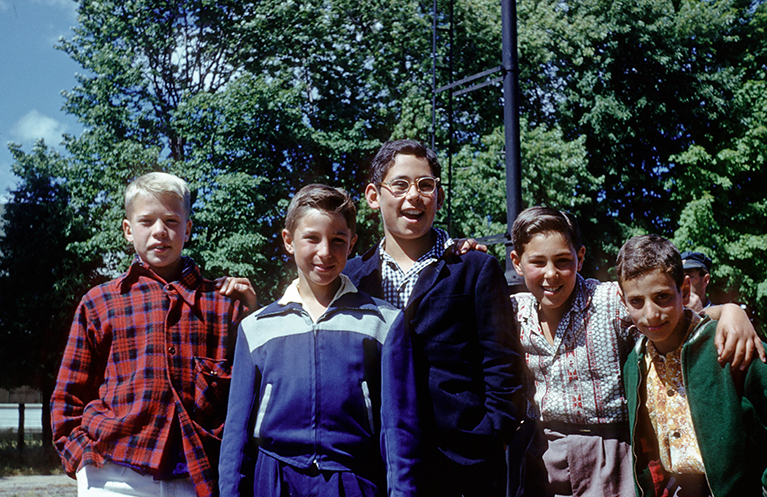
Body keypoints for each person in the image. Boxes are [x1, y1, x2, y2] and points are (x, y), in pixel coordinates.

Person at [508, 206, 765, 497]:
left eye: (562, 260)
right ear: (517, 262)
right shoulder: (515, 310)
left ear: (579, 258)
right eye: (537, 262)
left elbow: (672, 313)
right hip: (544, 449)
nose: (551, 274)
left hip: (608, 452)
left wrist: (729, 311)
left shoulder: (607, 300)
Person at [51, 172, 254, 497]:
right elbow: (68, 395)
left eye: (172, 221)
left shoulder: (223, 305)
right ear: (128, 230)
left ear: (188, 229)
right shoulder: (100, 302)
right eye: (146, 221)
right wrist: (80, 457)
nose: (160, 231)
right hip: (113, 473)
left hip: (199, 477)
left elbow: (250, 397)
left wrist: (255, 314)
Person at [343, 139, 526, 497]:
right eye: (400, 184)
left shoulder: (473, 268)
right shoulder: (351, 279)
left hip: (461, 464)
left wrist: (493, 434)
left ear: (439, 197)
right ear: (373, 196)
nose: (414, 195)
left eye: (425, 185)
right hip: (372, 463)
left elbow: (503, 363)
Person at [218, 184, 419, 497]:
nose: (325, 252)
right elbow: (236, 434)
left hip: (354, 478)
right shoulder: (256, 328)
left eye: (338, 240)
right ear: (288, 241)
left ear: (352, 244)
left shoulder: (384, 321)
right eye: (312, 238)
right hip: (273, 480)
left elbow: (399, 430)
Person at [618, 234, 767, 496]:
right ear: (623, 301)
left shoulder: (730, 342)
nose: (651, 314)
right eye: (637, 301)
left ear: (685, 291)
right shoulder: (635, 362)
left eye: (662, 296)